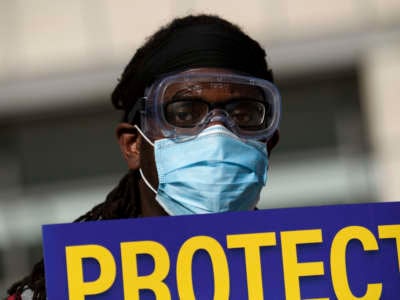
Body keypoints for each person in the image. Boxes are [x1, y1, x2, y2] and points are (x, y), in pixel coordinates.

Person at [6, 14, 280, 300]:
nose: (218, 136)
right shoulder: (69, 293)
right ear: (133, 145)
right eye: (184, 114)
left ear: (268, 145)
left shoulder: (318, 278)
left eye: (244, 115)